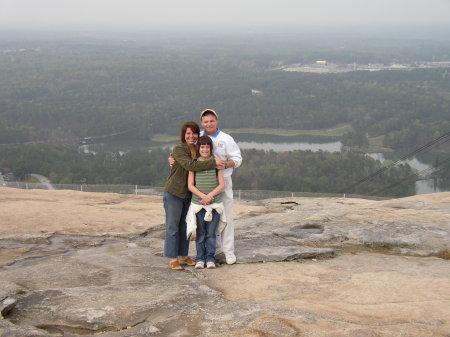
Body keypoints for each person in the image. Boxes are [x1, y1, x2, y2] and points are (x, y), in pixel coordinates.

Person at [169, 109, 242, 264]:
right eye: (206, 121)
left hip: (222, 183)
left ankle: (228, 252)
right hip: (201, 185)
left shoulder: (226, 138)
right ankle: (212, 252)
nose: (209, 124)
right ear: (202, 123)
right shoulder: (198, 137)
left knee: (225, 218)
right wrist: (171, 157)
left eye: (212, 120)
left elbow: (237, 158)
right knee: (204, 222)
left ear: (217, 121)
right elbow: (184, 150)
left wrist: (225, 164)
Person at [164, 121, 225, 270]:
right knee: (173, 226)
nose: (191, 136)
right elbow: (191, 166)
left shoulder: (197, 150)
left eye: (194, 133)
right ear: (183, 135)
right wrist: (213, 163)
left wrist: (223, 163)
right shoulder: (179, 148)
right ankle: (173, 258)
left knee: (185, 225)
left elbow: (205, 157)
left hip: (188, 195)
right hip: (174, 192)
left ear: (198, 135)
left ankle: (184, 255)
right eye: (188, 133)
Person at [186, 135, 226, 269]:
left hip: (214, 205)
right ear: (198, 148)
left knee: (211, 233)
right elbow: (190, 185)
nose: (205, 149)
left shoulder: (217, 163)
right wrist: (203, 197)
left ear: (211, 148)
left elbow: (221, 185)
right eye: (202, 146)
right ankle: (199, 259)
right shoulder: (194, 164)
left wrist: (209, 196)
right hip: (199, 205)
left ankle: (210, 258)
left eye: (207, 147)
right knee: (201, 233)